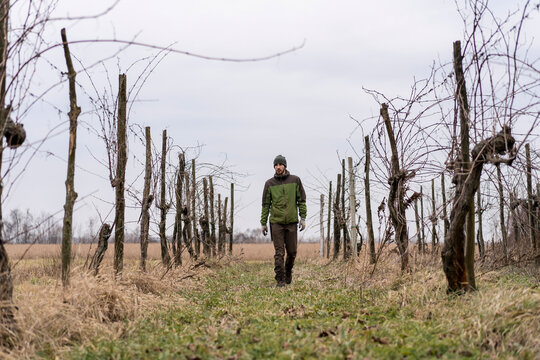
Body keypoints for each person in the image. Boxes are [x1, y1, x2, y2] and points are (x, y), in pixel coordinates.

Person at [260, 155, 307, 287]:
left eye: (280, 164)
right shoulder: (269, 184)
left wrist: (302, 218)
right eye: (276, 165)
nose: (278, 167)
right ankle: (280, 280)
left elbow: (301, 200)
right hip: (276, 223)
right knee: (279, 252)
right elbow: (265, 205)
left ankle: (288, 271)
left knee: (292, 252)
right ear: (274, 167)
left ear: (285, 166)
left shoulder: (295, 180)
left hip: (292, 222)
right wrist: (263, 223)